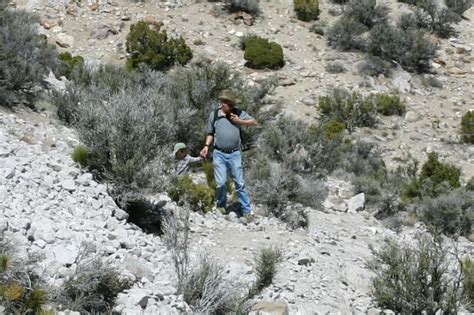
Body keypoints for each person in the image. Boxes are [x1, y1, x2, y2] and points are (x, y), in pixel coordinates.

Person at [200, 90, 257, 215]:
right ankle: (221, 206)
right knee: (221, 183)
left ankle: (247, 211)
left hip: (235, 153)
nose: (231, 107)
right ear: (223, 103)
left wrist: (240, 122)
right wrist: (206, 146)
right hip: (219, 153)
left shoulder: (237, 113)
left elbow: (254, 122)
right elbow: (210, 133)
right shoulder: (214, 115)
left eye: (232, 105)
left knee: (239, 183)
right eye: (229, 104)